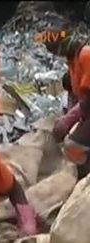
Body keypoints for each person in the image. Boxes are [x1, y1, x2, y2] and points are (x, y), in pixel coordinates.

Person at [42, 30, 90, 179]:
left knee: (72, 145)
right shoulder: (72, 61)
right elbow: (77, 95)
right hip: (86, 112)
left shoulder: (85, 55)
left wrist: (69, 120)